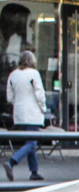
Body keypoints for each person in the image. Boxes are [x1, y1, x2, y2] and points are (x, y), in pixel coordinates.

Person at [5, 50, 46, 181]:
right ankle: (11, 162)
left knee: (30, 142)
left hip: (19, 113)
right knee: (32, 143)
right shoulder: (34, 74)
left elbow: (10, 97)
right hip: (32, 113)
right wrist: (44, 108)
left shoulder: (13, 75)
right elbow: (40, 94)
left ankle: (34, 172)